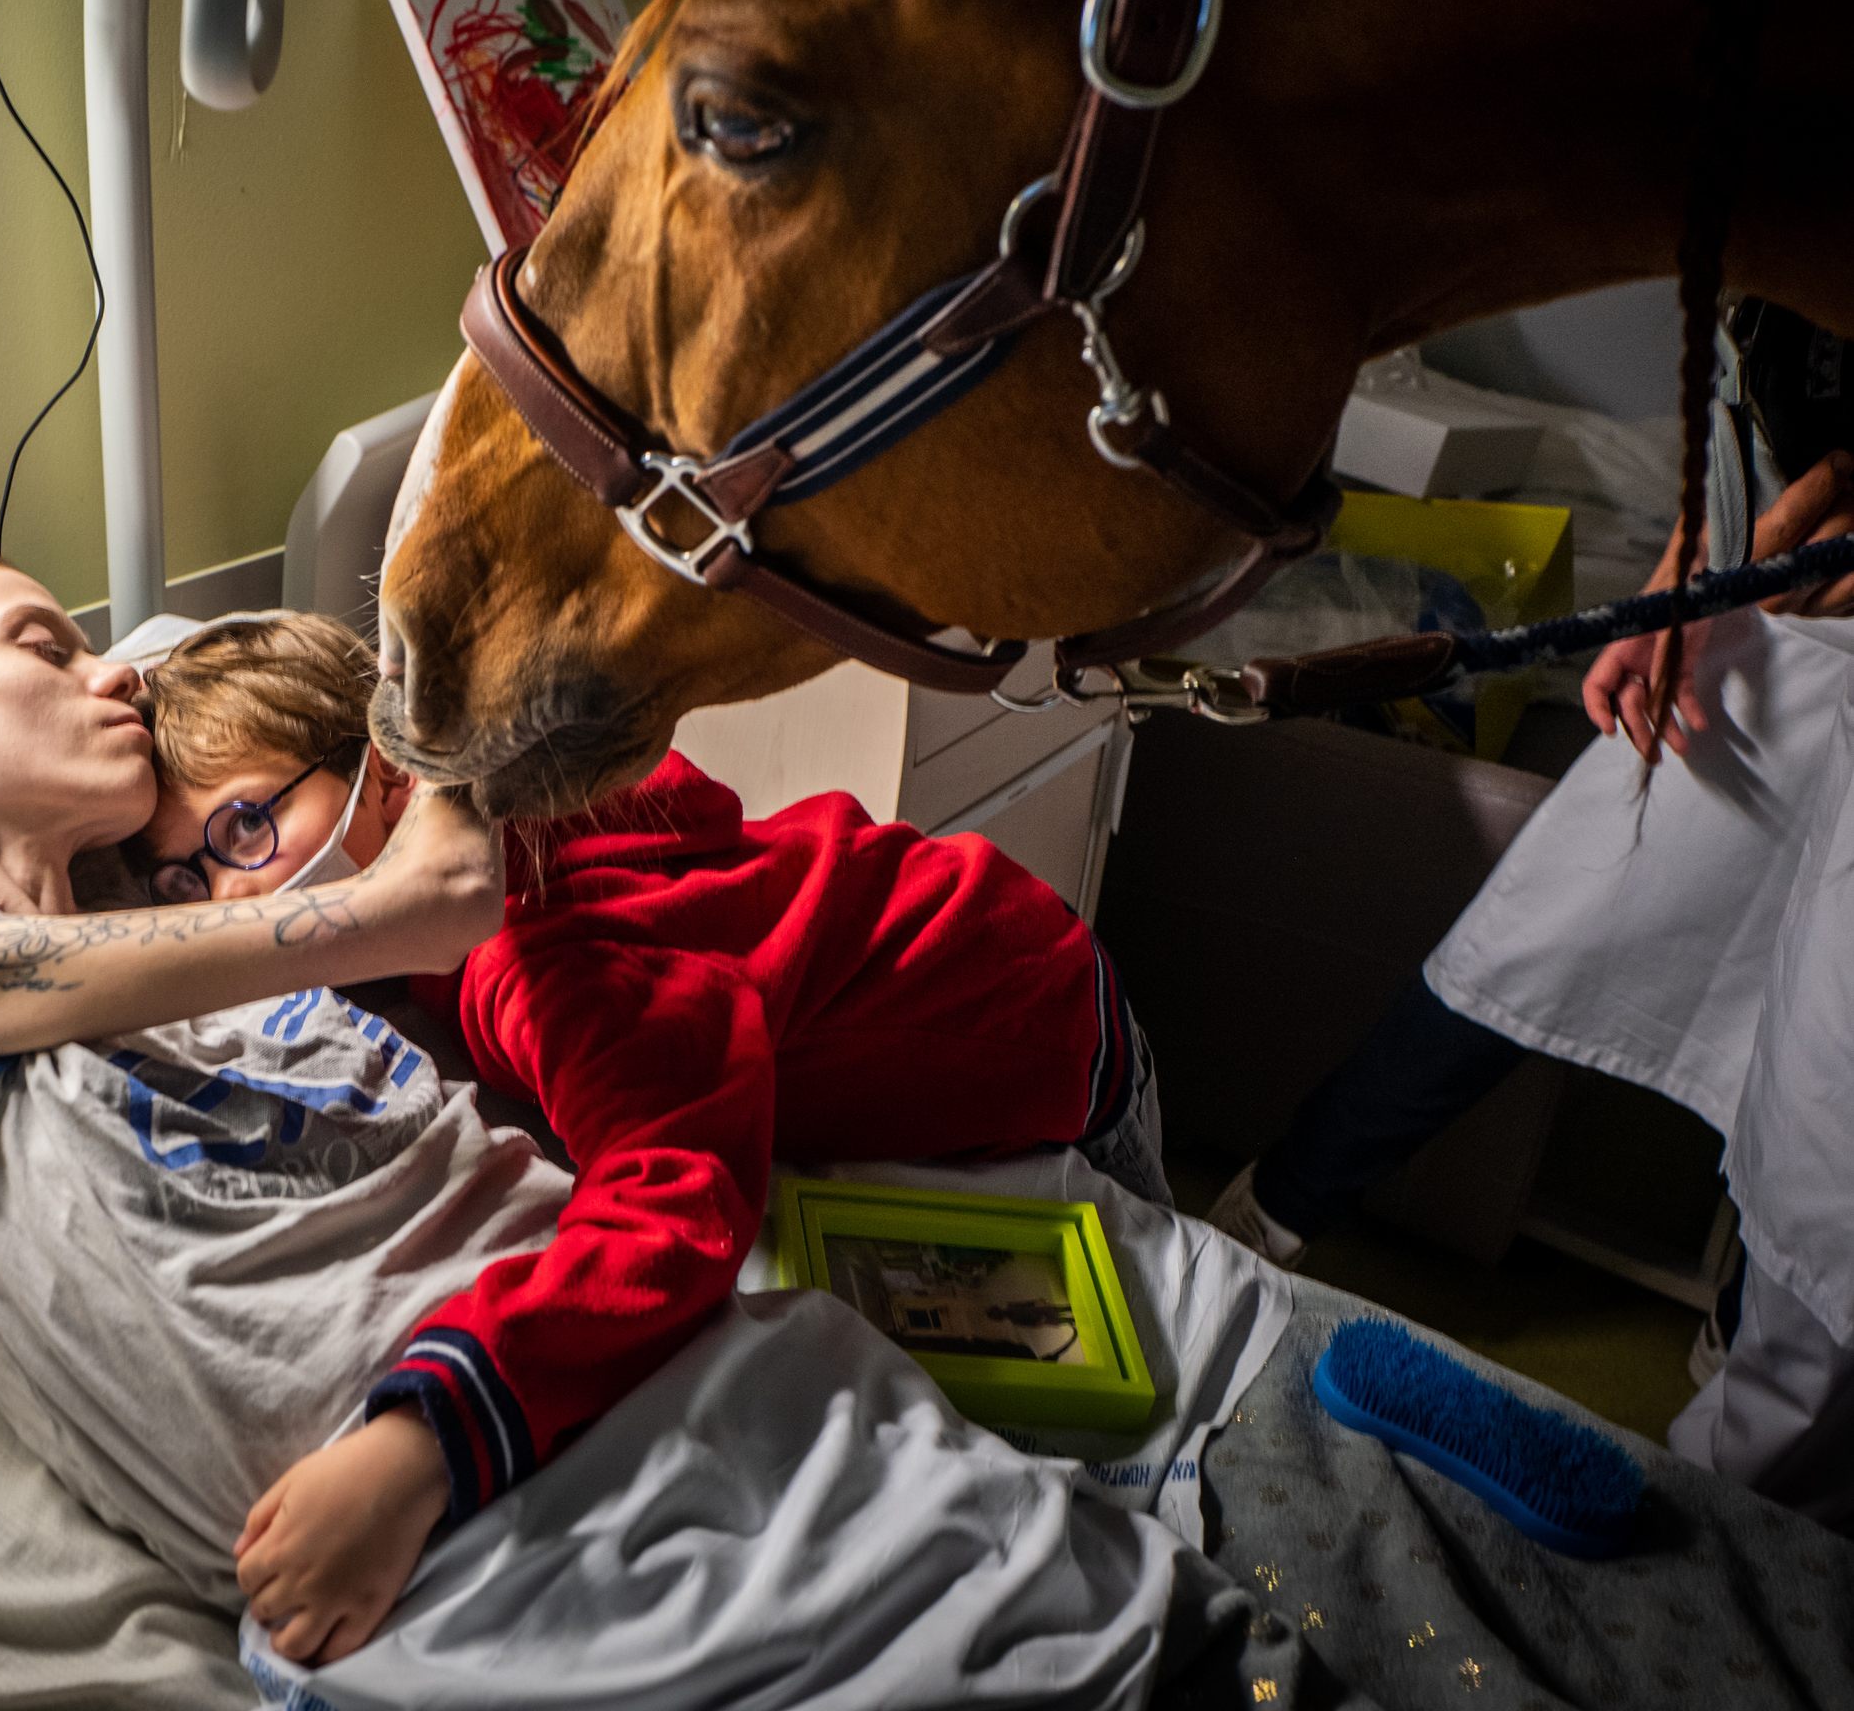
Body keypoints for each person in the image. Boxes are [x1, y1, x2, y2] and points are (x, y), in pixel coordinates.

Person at [0, 542, 1262, 1691]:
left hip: (943, 1139)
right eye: (41, 642)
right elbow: (409, 919)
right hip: (537, 1534)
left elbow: (516, 991)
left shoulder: (319, 973)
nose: (107, 667)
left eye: (239, 833)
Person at [131, 612, 1167, 1631]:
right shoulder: (507, 841)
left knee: (1141, 1345)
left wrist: (426, 1440)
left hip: (1042, 1019)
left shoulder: (548, 952)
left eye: (243, 830)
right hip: (954, 931)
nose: (229, 896)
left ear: (388, 776)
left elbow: (675, 1200)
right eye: (189, 875)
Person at [1207, 344, 1854, 1535]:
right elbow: (1736, 424)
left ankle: (1732, 1530)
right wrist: (1673, 590)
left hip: (1825, 606)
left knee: (1828, 1116)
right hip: (1766, 625)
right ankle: (1272, 1210)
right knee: (1522, 942)